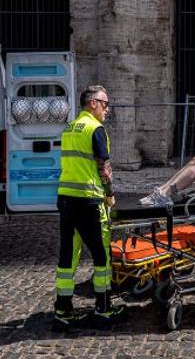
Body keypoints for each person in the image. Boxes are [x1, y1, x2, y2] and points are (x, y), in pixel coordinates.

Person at [53, 85, 122, 329]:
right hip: (89, 199)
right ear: (92, 103)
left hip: (65, 198)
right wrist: (110, 194)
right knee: (102, 253)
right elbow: (103, 165)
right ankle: (103, 308)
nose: (107, 108)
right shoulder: (95, 129)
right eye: (105, 103)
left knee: (68, 254)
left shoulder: (70, 128)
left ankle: (62, 310)